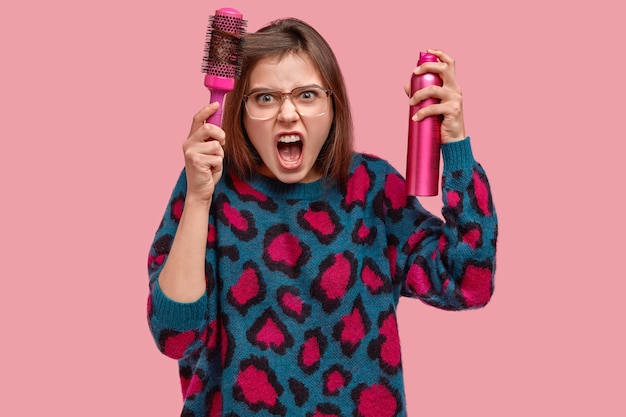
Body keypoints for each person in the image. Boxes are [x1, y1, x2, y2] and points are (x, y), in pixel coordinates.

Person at [147, 17, 497, 417]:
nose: (288, 114)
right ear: (240, 111)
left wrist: (456, 146)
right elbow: (174, 337)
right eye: (265, 98)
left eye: (307, 95)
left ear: (333, 106)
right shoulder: (210, 188)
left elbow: (470, 282)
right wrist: (197, 198)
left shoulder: (373, 188)